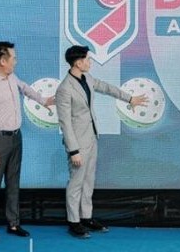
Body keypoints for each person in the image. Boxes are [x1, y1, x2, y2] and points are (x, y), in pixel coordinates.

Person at [56, 45, 148, 238]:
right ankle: (73, 221)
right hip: (78, 143)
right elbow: (65, 122)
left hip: (92, 137)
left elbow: (106, 88)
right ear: (78, 62)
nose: (90, 62)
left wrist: (129, 98)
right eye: (87, 59)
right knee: (76, 182)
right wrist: (74, 150)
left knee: (89, 180)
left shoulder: (87, 78)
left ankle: (86, 217)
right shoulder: (65, 89)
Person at [0, 41, 55, 244]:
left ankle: (13, 223)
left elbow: (25, 88)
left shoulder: (12, 77)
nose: (16, 61)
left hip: (15, 138)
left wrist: (43, 100)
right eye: (13, 58)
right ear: (2, 61)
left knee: (13, 182)